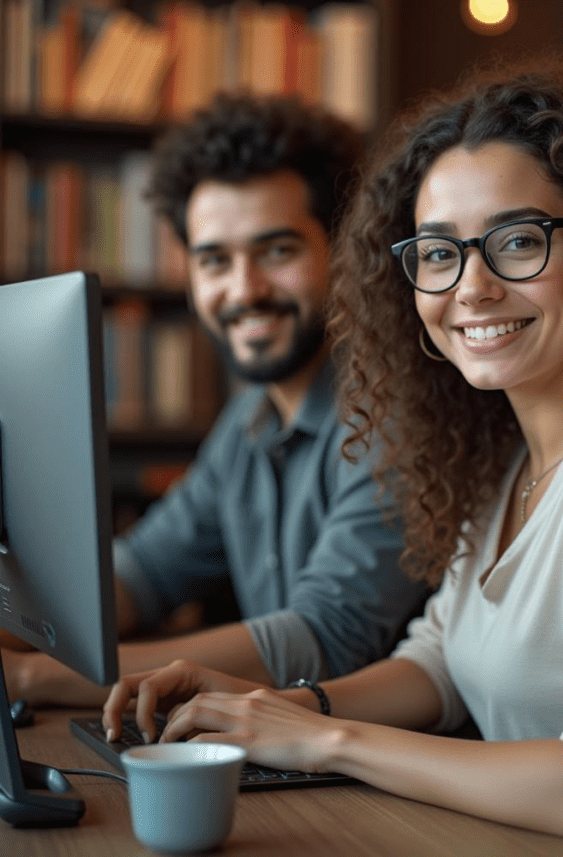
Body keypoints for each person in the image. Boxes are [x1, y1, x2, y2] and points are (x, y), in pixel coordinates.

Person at [101, 60, 563, 856]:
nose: (472, 286)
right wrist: (279, 705)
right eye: (439, 252)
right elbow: (439, 664)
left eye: (518, 240)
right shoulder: (509, 458)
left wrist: (323, 742)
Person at [1, 93, 428, 706]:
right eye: (214, 260)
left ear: (341, 250)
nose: (244, 289)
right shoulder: (250, 418)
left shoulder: (393, 410)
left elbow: (325, 638)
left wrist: (32, 677)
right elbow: (138, 575)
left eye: (277, 251)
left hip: (376, 777)